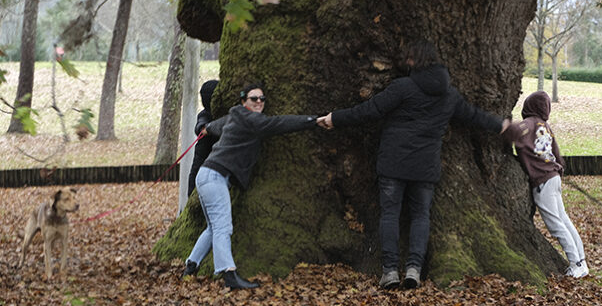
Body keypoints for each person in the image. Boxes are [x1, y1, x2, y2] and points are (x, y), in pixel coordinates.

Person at [317, 39, 504, 289]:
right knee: (420, 216)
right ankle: (414, 269)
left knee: (390, 215)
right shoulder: (449, 94)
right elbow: (473, 116)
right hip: (425, 166)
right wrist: (501, 126)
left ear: (415, 61)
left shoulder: (403, 87)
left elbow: (369, 110)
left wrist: (335, 118)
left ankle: (391, 271)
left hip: (394, 162)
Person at [183, 82, 318, 289]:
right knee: (222, 227)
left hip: (207, 175)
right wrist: (313, 121)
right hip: (214, 177)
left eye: (262, 99)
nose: (258, 102)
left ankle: (191, 266)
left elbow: (214, 126)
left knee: (212, 227)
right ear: (244, 102)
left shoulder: (233, 116)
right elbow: (280, 123)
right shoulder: (253, 120)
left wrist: (205, 128)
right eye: (253, 98)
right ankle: (229, 274)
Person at [500, 91, 588, 278]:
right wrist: (558, 171)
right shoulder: (546, 127)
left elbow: (513, 131)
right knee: (564, 219)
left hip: (542, 180)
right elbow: (557, 154)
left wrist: (503, 125)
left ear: (529, 107)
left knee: (555, 224)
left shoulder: (529, 124)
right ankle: (582, 261)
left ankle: (575, 263)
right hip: (553, 176)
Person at [188, 80, 220, 198]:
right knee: (196, 172)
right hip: (205, 156)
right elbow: (201, 124)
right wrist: (204, 128)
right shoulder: (205, 114)